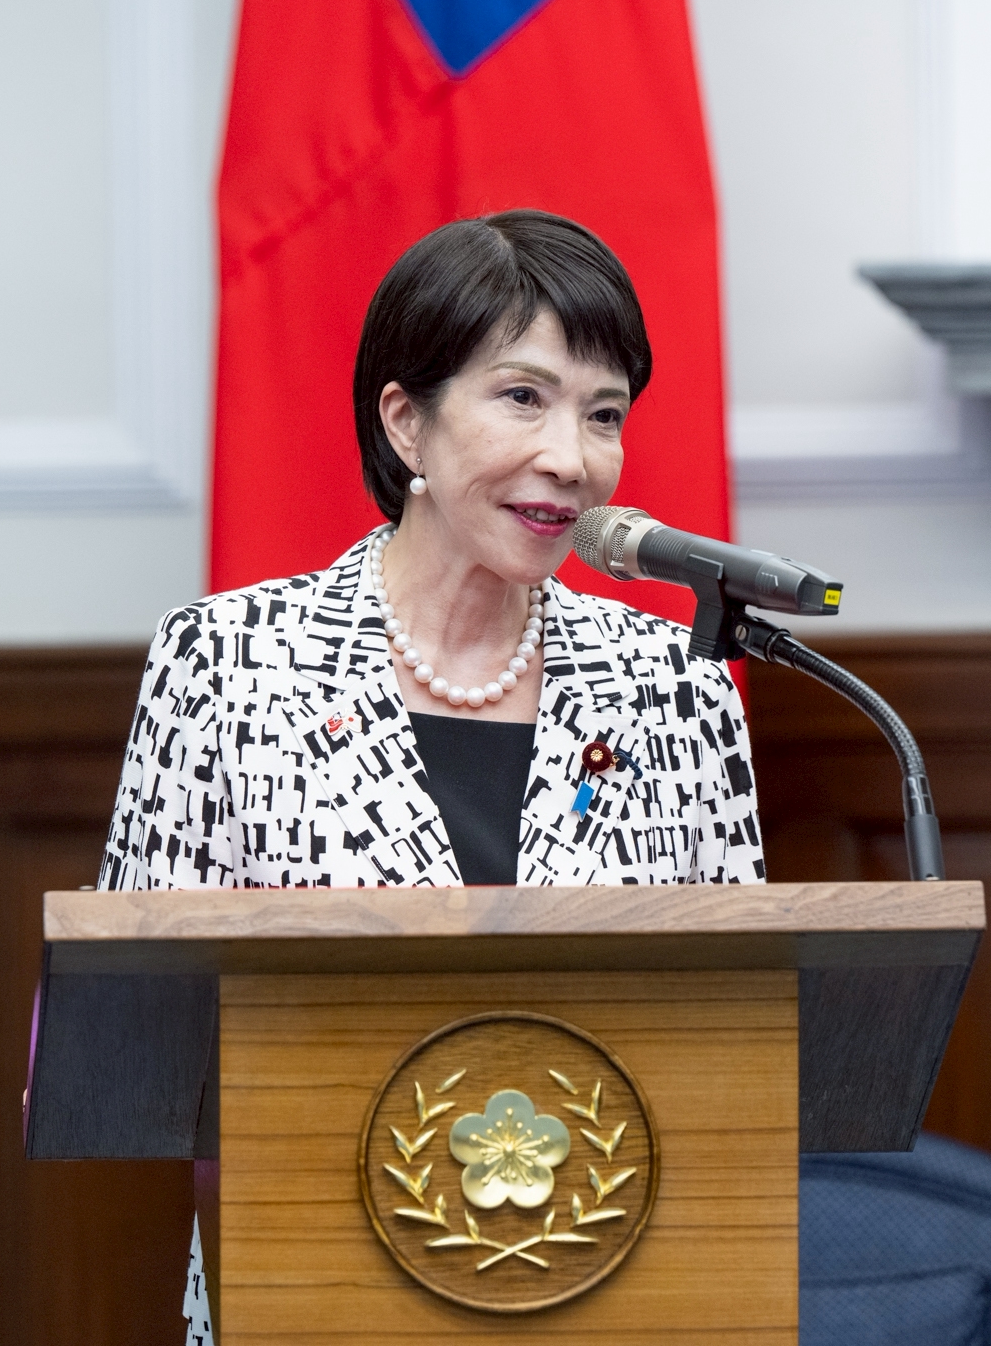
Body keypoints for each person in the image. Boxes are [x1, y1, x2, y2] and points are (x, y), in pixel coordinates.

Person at [99, 209, 763, 889]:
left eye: (603, 415)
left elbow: (741, 986)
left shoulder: (678, 691)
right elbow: (146, 986)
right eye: (523, 397)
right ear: (407, 422)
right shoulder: (227, 668)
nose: (570, 461)